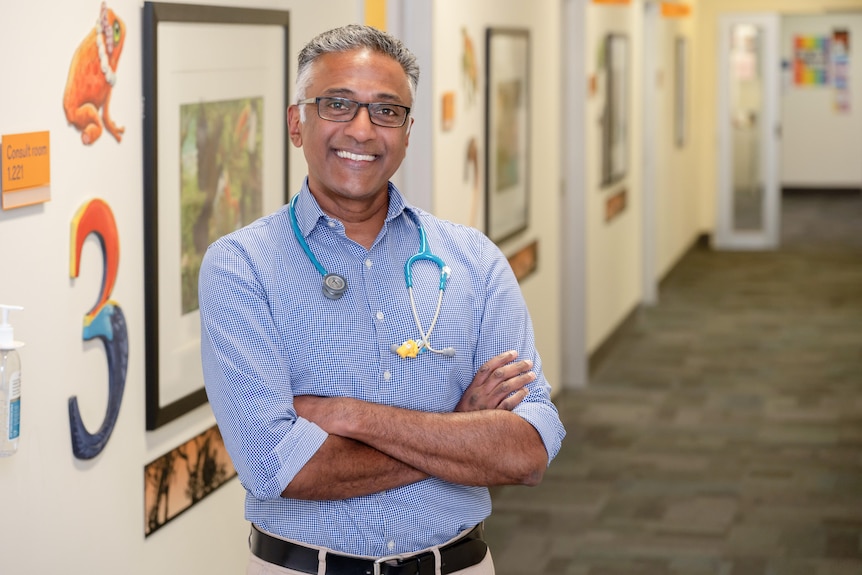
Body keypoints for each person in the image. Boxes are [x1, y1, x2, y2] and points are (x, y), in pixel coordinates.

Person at [199, 23, 566, 575]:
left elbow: (526, 451)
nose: (363, 130)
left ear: (408, 131)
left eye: (386, 111)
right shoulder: (241, 266)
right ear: (297, 122)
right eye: (338, 105)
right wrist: (458, 427)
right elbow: (278, 468)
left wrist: (348, 416)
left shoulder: (474, 261)